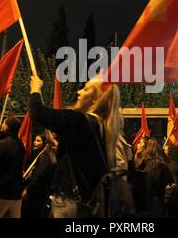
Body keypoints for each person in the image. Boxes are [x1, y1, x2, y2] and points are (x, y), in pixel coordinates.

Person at [29, 74, 122, 218]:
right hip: (88, 204)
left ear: (96, 98)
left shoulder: (78, 121)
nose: (78, 92)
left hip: (68, 205)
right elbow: (83, 157)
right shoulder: (103, 128)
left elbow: (37, 112)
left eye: (85, 89)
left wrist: (35, 88)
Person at [134, 137, 174, 217]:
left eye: (140, 143)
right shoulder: (142, 163)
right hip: (144, 208)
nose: (137, 145)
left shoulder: (156, 165)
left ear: (147, 148)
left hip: (153, 208)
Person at [22, 131, 57, 218]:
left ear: (44, 144)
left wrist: (28, 190)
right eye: (35, 140)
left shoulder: (45, 157)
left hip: (37, 195)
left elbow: (39, 176)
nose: (34, 142)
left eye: (38, 141)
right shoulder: (40, 156)